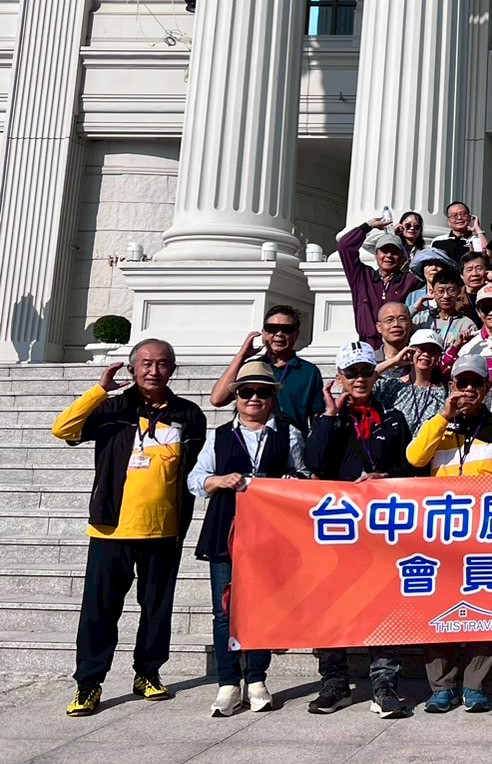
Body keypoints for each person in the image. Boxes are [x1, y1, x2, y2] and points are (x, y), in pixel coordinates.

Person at [52, 340, 207, 717]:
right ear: (133, 368)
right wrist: (100, 390)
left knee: (157, 609)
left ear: (173, 369)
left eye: (163, 364)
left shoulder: (188, 413)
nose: (154, 371)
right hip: (112, 528)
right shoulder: (113, 408)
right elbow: (63, 429)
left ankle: (148, 673)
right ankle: (89, 683)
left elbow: (194, 469)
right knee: (99, 610)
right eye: (146, 363)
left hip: (164, 529)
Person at [407, 355, 492, 713]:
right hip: (441, 535)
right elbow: (415, 458)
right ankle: (442, 686)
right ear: (452, 387)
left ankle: (474, 686)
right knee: (439, 609)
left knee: (487, 608)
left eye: (475, 383)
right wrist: (443, 418)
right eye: (461, 383)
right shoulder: (437, 424)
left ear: (486, 387)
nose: (468, 390)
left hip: (486, 536)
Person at [189, 360, 307, 717]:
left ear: (273, 397)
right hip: (226, 528)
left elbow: (303, 476)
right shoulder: (220, 435)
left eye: (262, 392)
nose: (254, 398)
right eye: (246, 392)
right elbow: (196, 479)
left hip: (270, 532)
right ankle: (228, 682)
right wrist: (218, 481)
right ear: (236, 397)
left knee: (263, 606)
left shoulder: (288, 433)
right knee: (223, 610)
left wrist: (287, 484)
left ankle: (256, 679)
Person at [304, 342, 415, 718]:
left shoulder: (394, 418)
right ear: (340, 378)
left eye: (366, 371)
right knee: (331, 604)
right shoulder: (330, 418)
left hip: (384, 528)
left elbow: (410, 468)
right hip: (339, 528)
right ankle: (334, 682)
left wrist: (385, 477)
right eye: (351, 373)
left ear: (375, 374)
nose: (360, 379)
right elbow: (315, 463)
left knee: (383, 604)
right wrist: (329, 418)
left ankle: (384, 684)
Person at [208, 306, 324, 435]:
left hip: (291, 441)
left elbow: (317, 417)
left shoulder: (309, 371)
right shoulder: (252, 368)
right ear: (263, 333)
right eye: (272, 328)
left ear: (296, 334)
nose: (279, 334)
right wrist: (241, 356)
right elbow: (217, 400)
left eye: (287, 329)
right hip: (251, 440)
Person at [338, 216, 418, 347]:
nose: (389, 256)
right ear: (376, 254)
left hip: (399, 346)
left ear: (402, 257)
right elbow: (344, 246)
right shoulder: (362, 276)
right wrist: (368, 226)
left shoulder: (410, 281)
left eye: (394, 252)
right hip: (367, 345)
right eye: (384, 251)